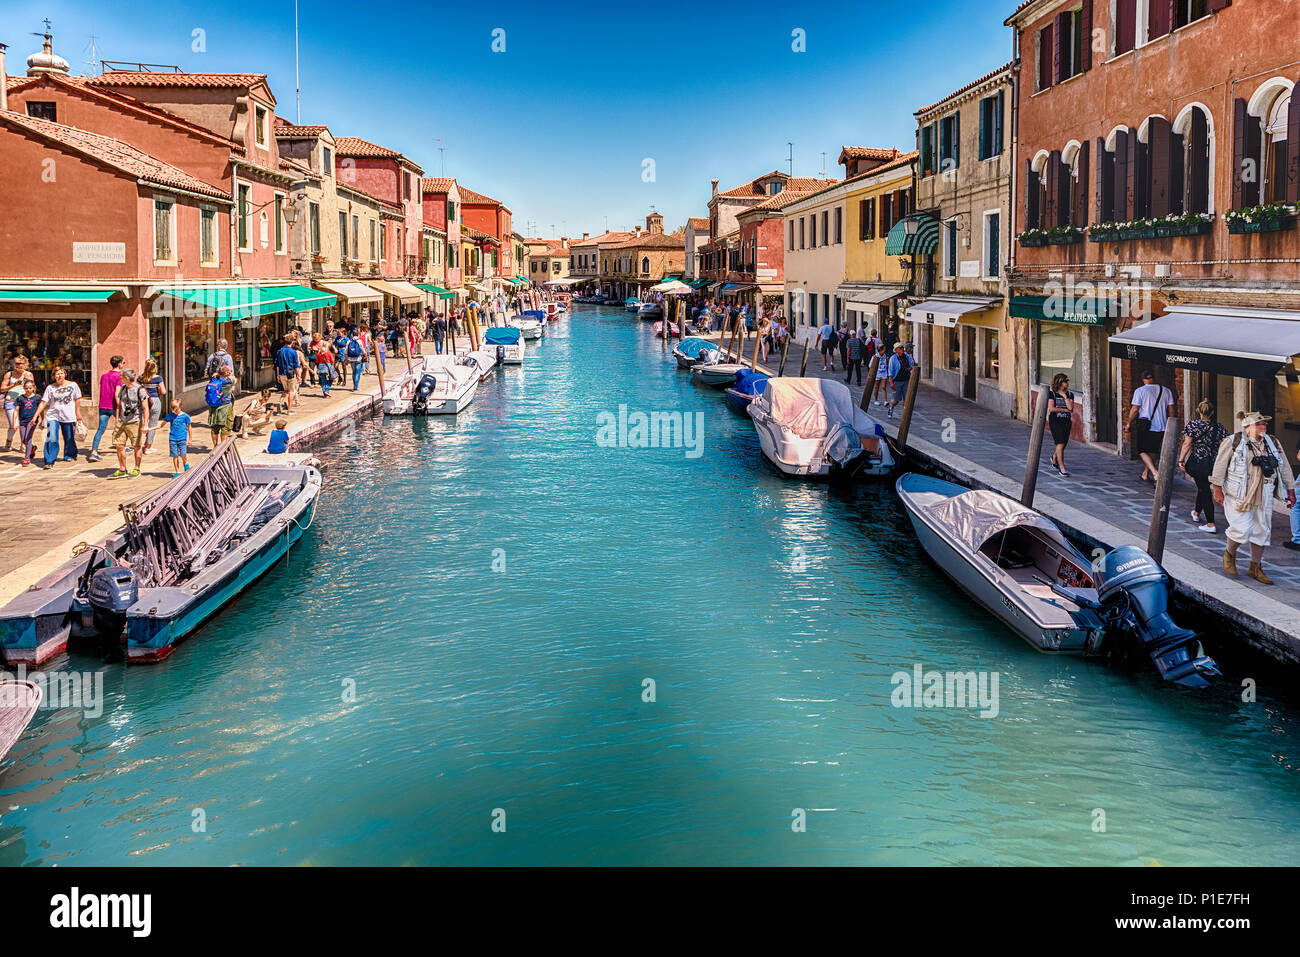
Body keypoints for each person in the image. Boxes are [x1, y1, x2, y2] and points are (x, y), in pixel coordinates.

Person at [1211, 411, 1295, 584]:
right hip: (1239, 492)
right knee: (1242, 529)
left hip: (1264, 492)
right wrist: (1217, 488)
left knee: (1262, 531)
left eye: (1264, 424)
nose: (1262, 427)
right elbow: (1220, 466)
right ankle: (1230, 554)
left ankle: (1255, 567)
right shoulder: (1233, 441)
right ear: (1247, 427)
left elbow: (1284, 465)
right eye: (1259, 425)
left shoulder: (1273, 442)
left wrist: (1291, 489)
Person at [1180, 399, 1229, 534]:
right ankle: (1196, 513)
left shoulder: (1193, 425)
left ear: (1198, 411)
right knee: (1203, 488)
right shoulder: (1219, 427)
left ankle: (1210, 523)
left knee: (1204, 491)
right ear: (1212, 412)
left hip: (1197, 462)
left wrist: (1181, 460)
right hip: (1214, 463)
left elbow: (1187, 444)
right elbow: (1226, 443)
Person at [1124, 370, 1175, 483]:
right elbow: (1171, 410)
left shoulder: (1140, 391)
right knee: (1152, 451)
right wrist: (1171, 426)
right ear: (1154, 378)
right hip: (1161, 426)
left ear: (1143, 380)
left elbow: (1135, 409)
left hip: (1146, 426)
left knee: (1142, 450)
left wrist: (1128, 423)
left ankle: (1155, 472)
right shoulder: (1166, 391)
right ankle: (1145, 474)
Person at [34, 365, 85, 468]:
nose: (59, 375)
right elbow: (44, 402)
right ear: (54, 376)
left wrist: (77, 413)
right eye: (57, 373)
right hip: (53, 415)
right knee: (51, 436)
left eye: (61, 373)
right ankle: (49, 460)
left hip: (68, 414)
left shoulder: (73, 385)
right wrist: (35, 416)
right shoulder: (50, 387)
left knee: (69, 437)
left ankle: (69, 454)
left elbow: (77, 398)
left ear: (65, 374)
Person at [110, 368, 148, 478]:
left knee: (137, 446)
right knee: (119, 445)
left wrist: (145, 423)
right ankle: (122, 468)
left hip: (135, 421)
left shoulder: (140, 390)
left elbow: (145, 408)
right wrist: (117, 418)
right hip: (122, 421)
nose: (119, 378)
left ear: (126, 378)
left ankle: (137, 468)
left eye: (121, 377)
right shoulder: (123, 388)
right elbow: (119, 404)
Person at [88, 354, 123, 462]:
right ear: (119, 364)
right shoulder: (119, 376)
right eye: (123, 362)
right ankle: (122, 446)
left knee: (100, 429)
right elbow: (117, 393)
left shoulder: (104, 376)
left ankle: (94, 451)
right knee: (122, 426)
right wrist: (120, 406)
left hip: (103, 405)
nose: (123, 365)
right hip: (113, 405)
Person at [2, 355, 35, 452]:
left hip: (24, 401)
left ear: (26, 365)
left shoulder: (28, 374)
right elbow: (2, 388)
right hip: (11, 401)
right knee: (14, 425)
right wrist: (13, 385)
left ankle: (23, 444)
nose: (19, 366)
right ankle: (9, 441)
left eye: (22, 364)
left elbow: (33, 389)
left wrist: (29, 381)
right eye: (17, 363)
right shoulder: (9, 374)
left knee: (24, 424)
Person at [1047, 373, 1075, 477]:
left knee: (1063, 444)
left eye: (1068, 381)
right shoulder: (1052, 394)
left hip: (1066, 421)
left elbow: (1071, 409)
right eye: (1065, 381)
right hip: (1055, 421)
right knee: (1060, 443)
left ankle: (1054, 457)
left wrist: (1064, 396)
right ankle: (1062, 468)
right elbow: (1051, 408)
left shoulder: (1070, 394)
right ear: (1060, 382)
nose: (1068, 383)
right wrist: (1063, 409)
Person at [140, 358, 167, 456]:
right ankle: (148, 447)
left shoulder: (140, 378)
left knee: (144, 423)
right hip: (154, 401)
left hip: (143, 401)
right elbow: (163, 391)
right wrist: (158, 390)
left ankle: (140, 444)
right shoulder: (158, 378)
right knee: (152, 425)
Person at [207, 363, 237, 446]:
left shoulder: (213, 380)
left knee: (214, 429)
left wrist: (218, 374)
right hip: (225, 407)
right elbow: (235, 379)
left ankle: (215, 447)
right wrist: (228, 375)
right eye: (230, 371)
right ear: (227, 373)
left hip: (213, 407)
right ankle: (223, 448)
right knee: (225, 429)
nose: (231, 372)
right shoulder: (228, 381)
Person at [14, 377, 42, 467]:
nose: (28, 390)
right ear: (24, 388)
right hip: (22, 421)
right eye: (26, 388)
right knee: (23, 440)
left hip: (32, 421)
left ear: (33, 388)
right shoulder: (20, 398)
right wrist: (14, 422)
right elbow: (16, 410)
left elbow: (41, 409)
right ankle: (32, 448)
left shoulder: (37, 398)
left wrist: (43, 419)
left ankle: (27, 458)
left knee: (28, 438)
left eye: (30, 388)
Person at [163, 398, 192, 478]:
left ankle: (186, 464)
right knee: (175, 455)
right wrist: (151, 428)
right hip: (172, 438)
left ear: (180, 407)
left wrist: (190, 439)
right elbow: (162, 424)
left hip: (182, 438)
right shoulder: (171, 416)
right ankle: (177, 471)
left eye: (176, 409)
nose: (174, 411)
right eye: (173, 409)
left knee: (183, 454)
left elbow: (189, 427)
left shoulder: (185, 416)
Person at [274, 334, 300, 414]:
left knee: (285, 390)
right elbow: (296, 366)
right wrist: (299, 376)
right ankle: (289, 409)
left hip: (282, 373)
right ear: (292, 342)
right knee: (291, 391)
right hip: (291, 373)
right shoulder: (293, 352)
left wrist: (278, 375)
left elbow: (277, 365)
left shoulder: (279, 351)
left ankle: (280, 402)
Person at [886, 341, 912, 418]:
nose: (902, 349)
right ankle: (891, 408)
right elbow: (890, 372)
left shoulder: (906, 356)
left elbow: (911, 365)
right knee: (896, 400)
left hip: (906, 380)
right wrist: (891, 383)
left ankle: (905, 415)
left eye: (902, 348)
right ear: (896, 350)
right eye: (900, 348)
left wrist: (909, 369)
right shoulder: (893, 359)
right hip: (897, 381)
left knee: (906, 399)